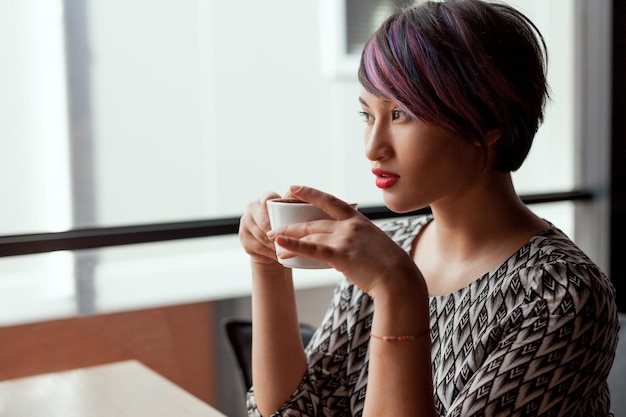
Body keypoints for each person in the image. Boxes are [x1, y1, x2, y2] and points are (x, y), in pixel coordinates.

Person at [238, 0, 620, 416]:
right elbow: (296, 412)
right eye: (367, 114)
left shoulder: (559, 295)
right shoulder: (389, 248)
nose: (373, 147)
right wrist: (268, 265)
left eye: (400, 113)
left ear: (487, 121)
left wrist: (398, 291)